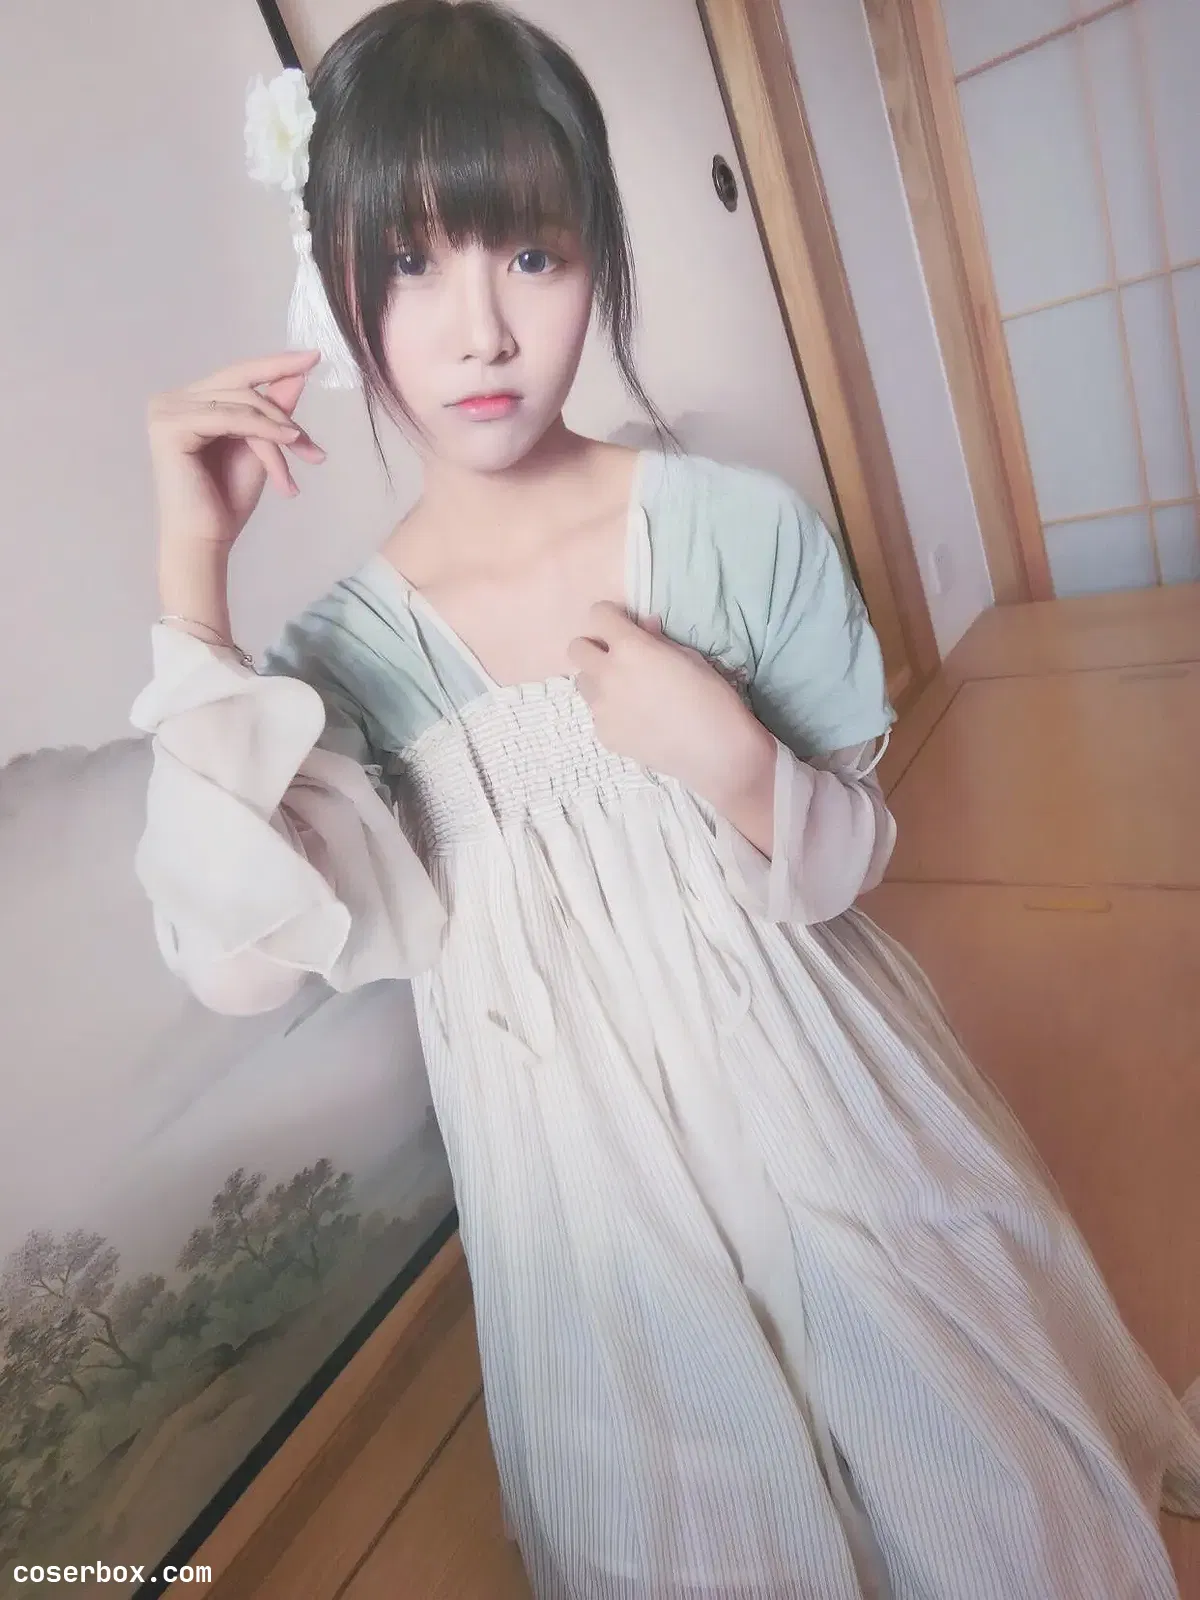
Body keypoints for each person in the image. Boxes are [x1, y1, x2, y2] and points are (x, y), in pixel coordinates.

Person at [131, 3, 1199, 1595]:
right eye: (412, 264)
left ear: (599, 256)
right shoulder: (332, 664)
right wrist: (191, 576)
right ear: (334, 282)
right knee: (688, 1516)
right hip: (579, 1173)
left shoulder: (730, 533)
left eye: (531, 255)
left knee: (965, 1444)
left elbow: (849, 860)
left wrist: (727, 756)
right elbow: (235, 965)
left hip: (817, 1093)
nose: (481, 333)